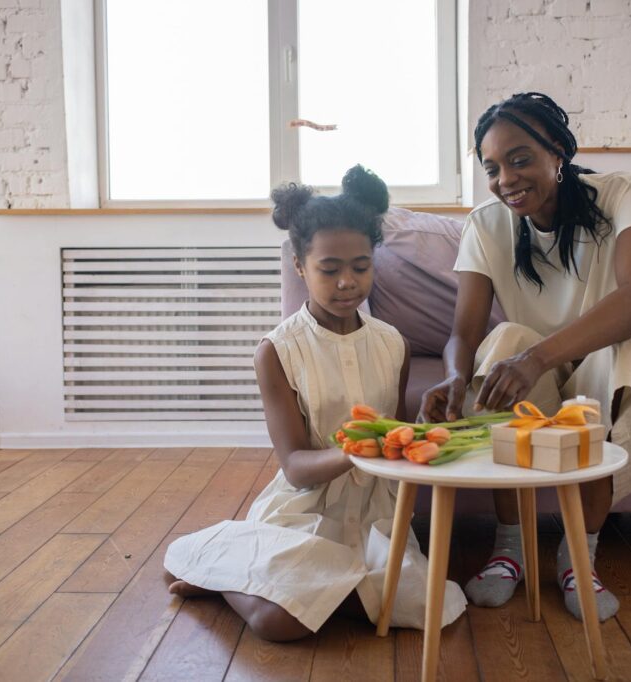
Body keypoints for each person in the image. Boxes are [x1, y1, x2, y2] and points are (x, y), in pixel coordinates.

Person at [164, 165, 466, 641]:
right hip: (305, 511)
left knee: (429, 605)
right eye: (329, 269)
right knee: (281, 623)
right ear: (300, 267)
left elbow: (401, 449)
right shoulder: (277, 351)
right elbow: (296, 467)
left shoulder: (393, 344)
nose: (347, 282)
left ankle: (252, 577)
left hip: (377, 517)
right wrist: (356, 449)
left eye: (361, 267)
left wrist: (424, 434)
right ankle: (228, 581)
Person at [421, 92, 631, 621]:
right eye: (492, 168)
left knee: (616, 356)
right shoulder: (486, 224)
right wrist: (456, 376)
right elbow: (464, 333)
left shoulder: (624, 192)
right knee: (501, 345)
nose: (505, 180)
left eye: (520, 159)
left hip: (614, 347)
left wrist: (538, 360)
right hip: (538, 357)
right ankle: (510, 549)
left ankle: (578, 559)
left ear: (558, 154)